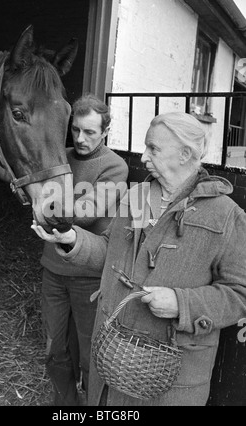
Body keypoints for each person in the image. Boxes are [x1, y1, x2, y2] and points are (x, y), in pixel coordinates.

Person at [32, 111, 246, 406]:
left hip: (171, 383)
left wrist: (181, 303)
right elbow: (110, 251)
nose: (144, 158)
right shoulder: (136, 195)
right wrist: (72, 239)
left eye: (153, 149)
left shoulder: (226, 215)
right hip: (111, 361)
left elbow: (240, 294)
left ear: (185, 154)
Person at [38, 94, 128, 406]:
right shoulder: (61, 157)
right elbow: (19, 171)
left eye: (90, 132)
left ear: (105, 130)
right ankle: (65, 406)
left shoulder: (115, 167)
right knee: (55, 347)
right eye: (76, 130)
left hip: (89, 277)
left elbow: (89, 210)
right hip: (53, 271)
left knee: (92, 353)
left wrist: (44, 206)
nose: (80, 138)